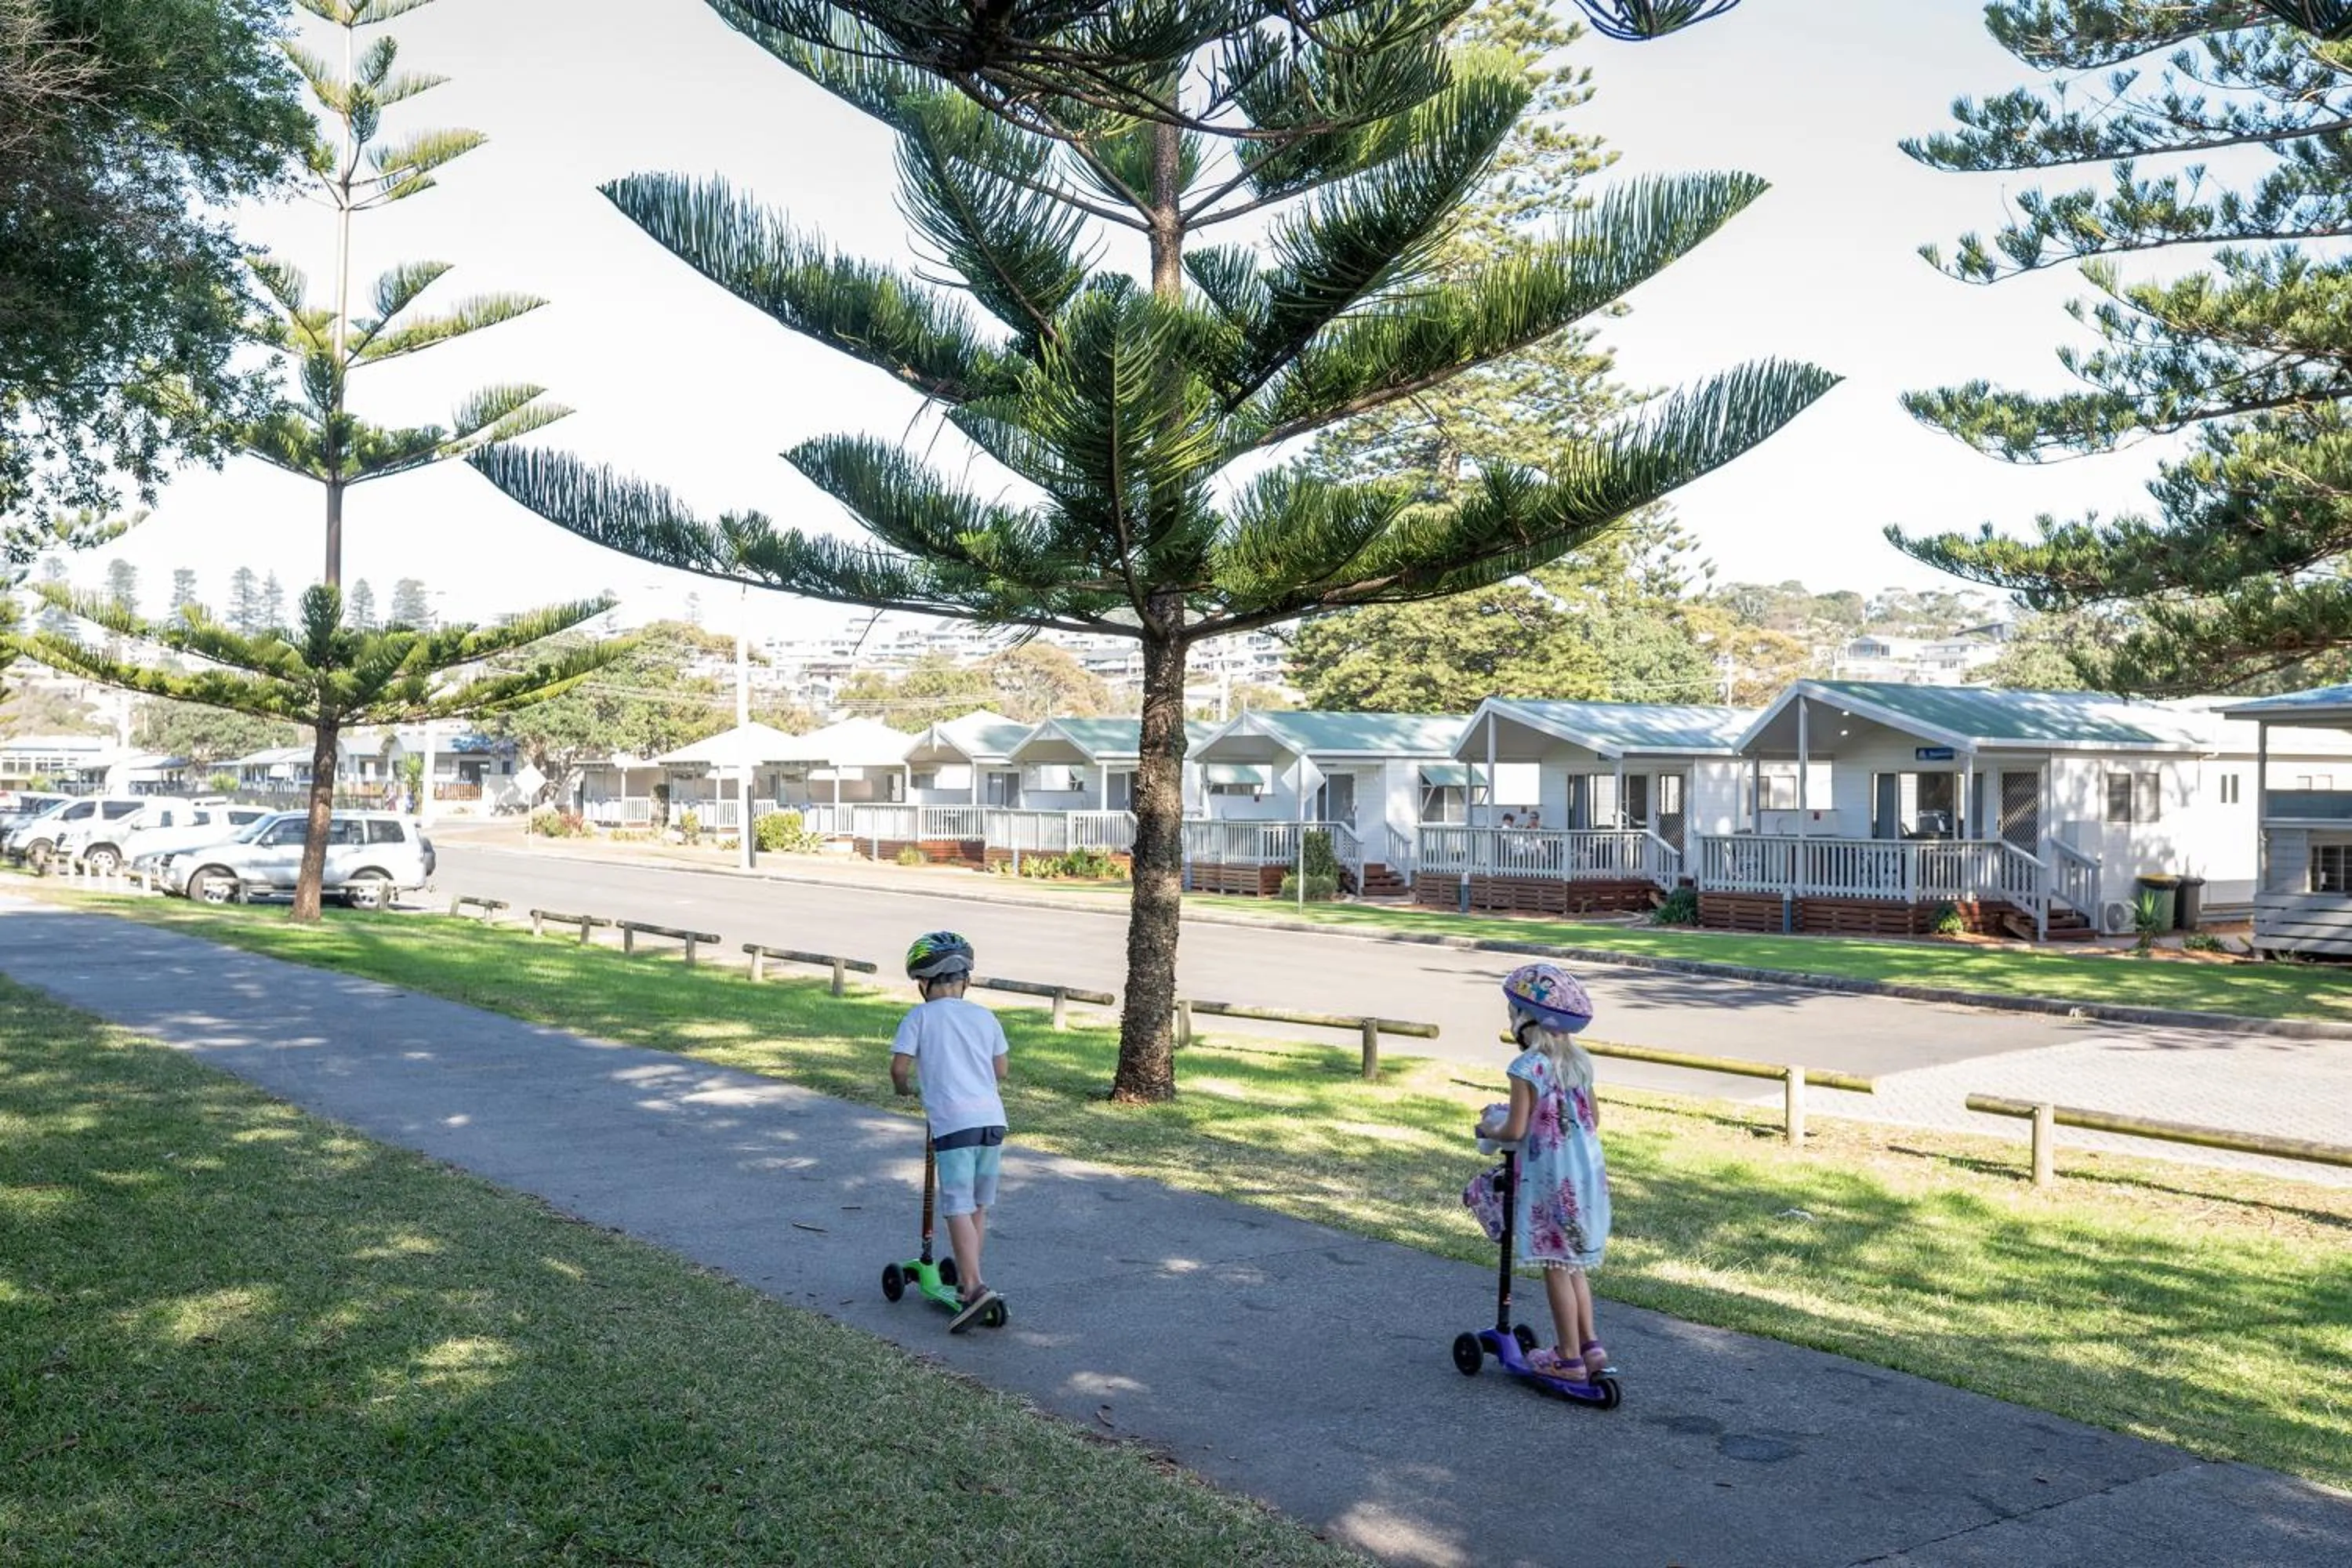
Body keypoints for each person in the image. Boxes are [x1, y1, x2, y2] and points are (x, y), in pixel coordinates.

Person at [1472, 962, 1612, 1381]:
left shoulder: (1525, 1068)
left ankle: (1567, 1360)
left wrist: (1487, 1126)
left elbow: (1515, 1128)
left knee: (1554, 1265)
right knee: (1573, 1266)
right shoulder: (1580, 1064)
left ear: (1524, 1020)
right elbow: (1593, 1120)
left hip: (1551, 1181)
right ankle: (1590, 1347)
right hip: (1586, 1178)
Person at [890, 930, 1009, 1331]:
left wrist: (904, 1090)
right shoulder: (985, 1017)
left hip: (953, 1125)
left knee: (956, 1205)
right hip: (992, 1121)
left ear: (923, 983)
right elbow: (1001, 1070)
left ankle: (974, 1286)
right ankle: (965, 1281)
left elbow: (900, 1067)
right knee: (978, 1204)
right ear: (966, 981)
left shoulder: (919, 1017)